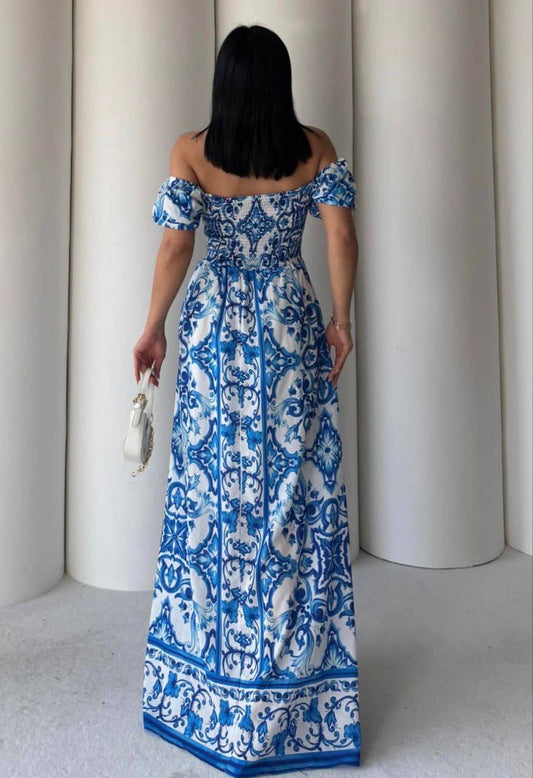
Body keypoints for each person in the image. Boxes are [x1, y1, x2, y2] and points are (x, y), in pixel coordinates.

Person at [136, 23, 361, 776]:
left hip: (212, 338)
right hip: (290, 327)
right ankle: (293, 696)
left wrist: (152, 329)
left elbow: (175, 246)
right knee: (289, 505)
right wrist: (340, 319)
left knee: (210, 498)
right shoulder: (316, 147)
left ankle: (205, 690)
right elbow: (340, 236)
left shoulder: (191, 150)